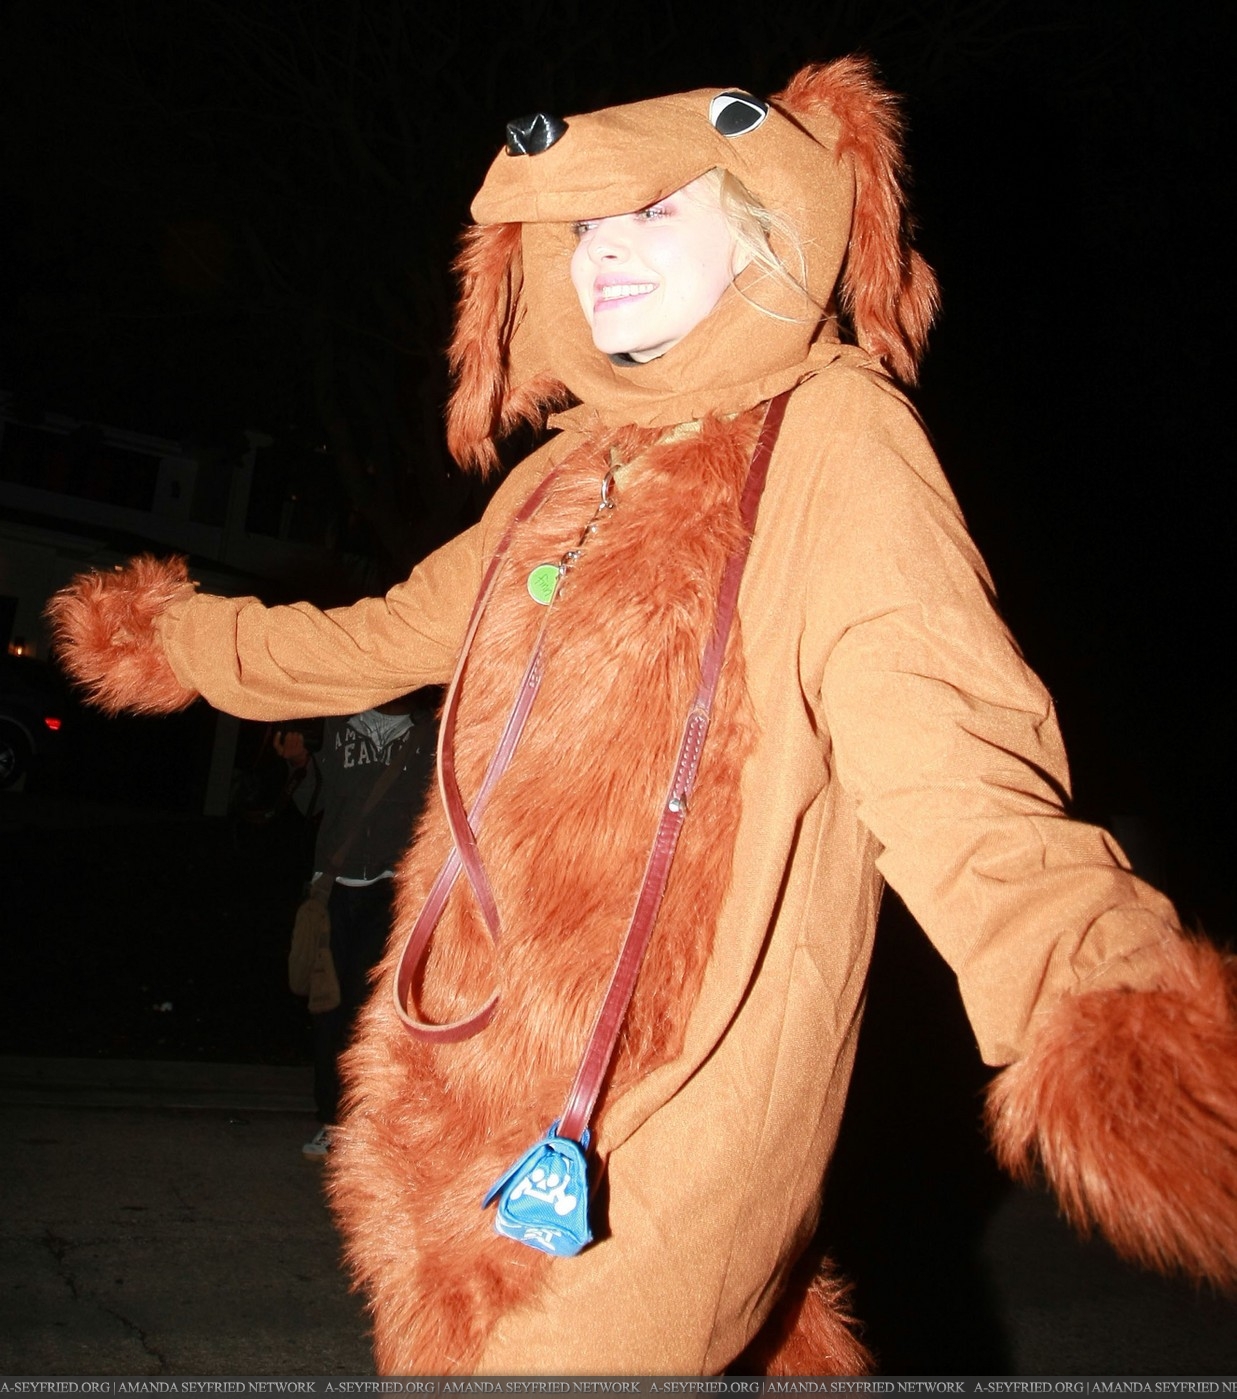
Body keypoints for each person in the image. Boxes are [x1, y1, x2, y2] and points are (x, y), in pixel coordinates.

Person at [46, 59, 1235, 1376]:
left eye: (656, 212)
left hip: (672, 1100)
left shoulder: (833, 438)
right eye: (585, 226)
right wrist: (181, 640)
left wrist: (1100, 1000)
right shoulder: (561, 474)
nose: (603, 249)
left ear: (764, 230)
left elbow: (949, 748)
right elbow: (382, 634)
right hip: (469, 1068)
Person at [275, 694, 438, 1157]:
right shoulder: (338, 721)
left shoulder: (431, 733)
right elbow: (314, 802)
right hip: (335, 888)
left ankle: (377, 1122)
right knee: (329, 1007)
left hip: (395, 888)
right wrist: (299, 763)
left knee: (379, 1011)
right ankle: (333, 1118)